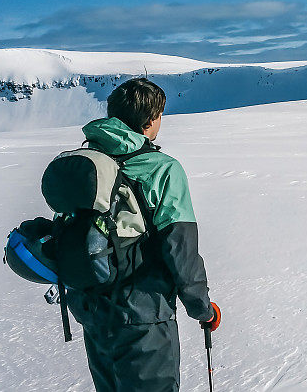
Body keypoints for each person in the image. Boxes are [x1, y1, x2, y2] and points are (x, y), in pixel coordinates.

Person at [65, 78, 221, 392]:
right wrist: (203, 308)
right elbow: (180, 249)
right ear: (150, 121)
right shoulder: (163, 170)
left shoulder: (86, 166)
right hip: (144, 317)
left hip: (94, 312)